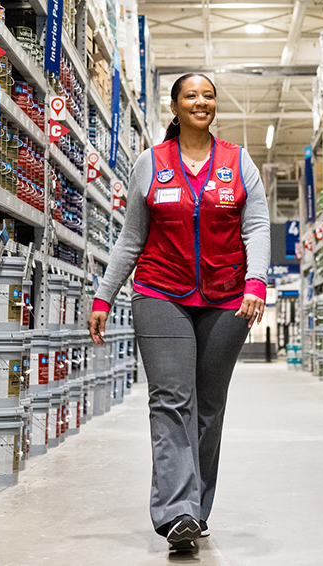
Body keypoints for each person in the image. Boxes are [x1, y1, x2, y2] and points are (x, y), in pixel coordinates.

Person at [87, 72, 270, 552]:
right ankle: (177, 513)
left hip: (228, 299)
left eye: (209, 96)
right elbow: (130, 239)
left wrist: (257, 281)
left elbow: (257, 226)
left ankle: (197, 509)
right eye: (192, 95)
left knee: (208, 407)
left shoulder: (238, 162)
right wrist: (105, 296)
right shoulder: (151, 164)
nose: (202, 102)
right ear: (175, 106)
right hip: (159, 294)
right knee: (171, 401)